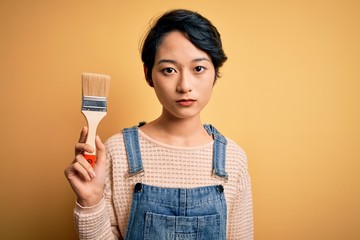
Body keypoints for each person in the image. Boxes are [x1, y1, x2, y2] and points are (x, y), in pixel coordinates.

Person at [64, 9, 253, 240]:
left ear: (215, 73)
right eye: (169, 70)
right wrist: (90, 201)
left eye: (198, 68)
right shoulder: (117, 151)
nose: (184, 85)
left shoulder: (234, 159)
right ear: (148, 75)